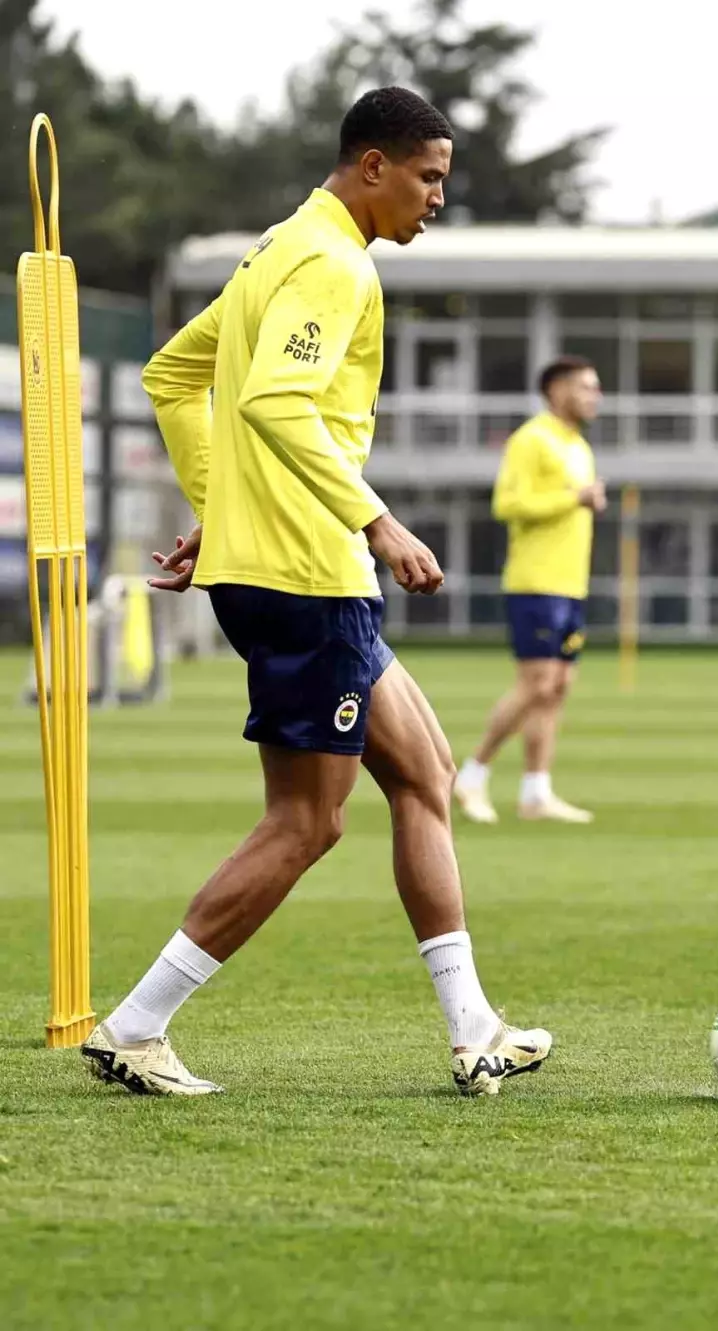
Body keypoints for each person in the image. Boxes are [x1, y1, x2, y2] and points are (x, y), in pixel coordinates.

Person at [80, 87, 550, 1099]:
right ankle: (135, 1023)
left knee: (425, 773)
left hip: (283, 565)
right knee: (308, 822)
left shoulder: (277, 247)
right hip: (308, 577)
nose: (436, 199)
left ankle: (475, 1029)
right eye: (428, 177)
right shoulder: (334, 264)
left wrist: (224, 507)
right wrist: (377, 517)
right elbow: (275, 400)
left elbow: (173, 374)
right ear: (371, 167)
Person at [453, 356, 604, 825]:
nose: (594, 396)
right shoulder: (532, 439)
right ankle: (471, 774)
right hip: (535, 583)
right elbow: (508, 503)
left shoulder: (577, 444)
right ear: (556, 390)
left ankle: (536, 792)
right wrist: (574, 498)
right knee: (536, 683)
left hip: (570, 585)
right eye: (585, 387)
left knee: (557, 687)